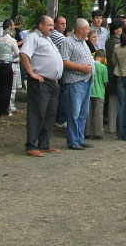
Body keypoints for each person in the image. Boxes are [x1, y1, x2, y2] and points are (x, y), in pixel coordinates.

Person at [19, 15, 64, 157]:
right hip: (40, 82)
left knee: (50, 114)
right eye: (49, 25)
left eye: (52, 25)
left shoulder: (48, 39)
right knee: (37, 113)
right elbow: (24, 54)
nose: (52, 28)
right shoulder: (33, 38)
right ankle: (31, 145)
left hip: (52, 82)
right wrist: (31, 73)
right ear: (40, 25)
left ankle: (44, 143)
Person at [60, 18, 95, 151]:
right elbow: (65, 61)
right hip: (75, 81)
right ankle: (73, 140)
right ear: (80, 29)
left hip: (86, 81)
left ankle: (79, 139)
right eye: (87, 28)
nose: (88, 30)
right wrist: (81, 68)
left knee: (83, 113)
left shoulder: (83, 42)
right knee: (74, 112)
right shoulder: (68, 42)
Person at [105, 19, 125, 134]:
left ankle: (113, 126)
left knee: (113, 101)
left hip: (111, 74)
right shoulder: (117, 42)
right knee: (115, 102)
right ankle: (114, 127)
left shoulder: (109, 41)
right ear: (117, 30)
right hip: (116, 74)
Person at [0, 26, 19, 117]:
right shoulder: (12, 41)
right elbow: (17, 53)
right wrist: (12, 57)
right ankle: (5, 110)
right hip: (6, 64)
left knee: (0, 87)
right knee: (7, 88)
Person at [85, 49, 108, 140]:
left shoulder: (90, 65)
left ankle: (87, 131)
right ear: (103, 58)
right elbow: (105, 81)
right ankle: (98, 132)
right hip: (99, 92)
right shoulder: (103, 68)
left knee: (88, 113)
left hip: (89, 91)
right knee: (98, 113)